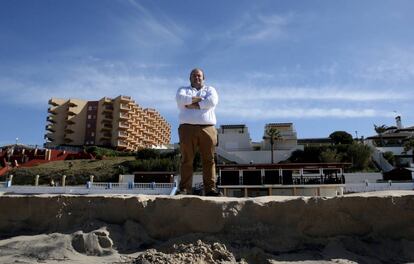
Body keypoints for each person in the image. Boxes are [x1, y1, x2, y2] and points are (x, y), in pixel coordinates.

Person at [176, 68, 222, 196]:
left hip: (207, 128)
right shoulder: (182, 90)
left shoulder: (210, 90)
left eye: (199, 76)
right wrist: (202, 100)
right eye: (193, 76)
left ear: (203, 78)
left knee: (209, 159)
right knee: (186, 159)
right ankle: (185, 189)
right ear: (189, 78)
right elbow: (180, 99)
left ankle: (210, 189)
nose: (196, 78)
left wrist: (192, 103)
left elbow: (212, 101)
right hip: (186, 128)